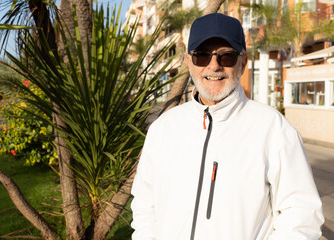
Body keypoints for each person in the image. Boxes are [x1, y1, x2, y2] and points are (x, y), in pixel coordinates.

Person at [131, 13, 324, 240]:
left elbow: (301, 215)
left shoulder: (274, 130)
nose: (214, 66)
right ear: (189, 63)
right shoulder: (162, 130)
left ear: (243, 63)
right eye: (202, 56)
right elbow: (145, 208)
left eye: (226, 56)